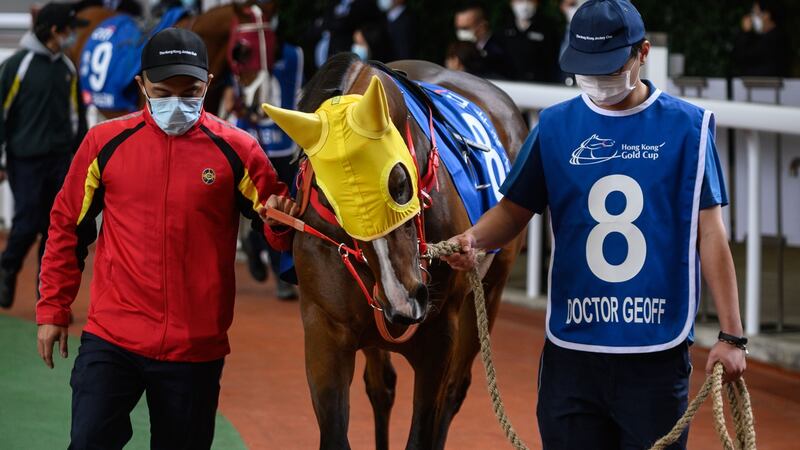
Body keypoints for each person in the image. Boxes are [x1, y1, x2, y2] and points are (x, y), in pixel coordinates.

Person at [442, 1, 747, 449]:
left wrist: (732, 335)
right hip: (572, 354)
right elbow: (513, 210)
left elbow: (710, 233)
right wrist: (473, 238)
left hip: (654, 357)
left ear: (642, 53)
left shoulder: (689, 128)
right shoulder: (556, 125)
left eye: (609, 68)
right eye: (588, 70)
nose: (599, 82)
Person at [36, 28, 298, 449]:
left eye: (190, 91)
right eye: (162, 91)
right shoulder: (104, 142)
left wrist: (283, 222)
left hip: (195, 349)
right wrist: (53, 307)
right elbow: (67, 223)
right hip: (112, 337)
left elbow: (278, 226)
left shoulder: (239, 150)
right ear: (141, 85)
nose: (176, 103)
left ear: (209, 84)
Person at [0, 2, 88, 309]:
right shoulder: (17, 66)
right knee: (26, 222)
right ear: (55, 30)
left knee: (55, 228)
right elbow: (2, 113)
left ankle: (46, 292)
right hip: (24, 159)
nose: (73, 34)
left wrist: (80, 158)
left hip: (61, 160)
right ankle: (8, 267)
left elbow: (78, 117)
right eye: (70, 28)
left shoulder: (67, 68)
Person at [498, 0, 563, 82]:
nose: (525, 4)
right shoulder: (503, 27)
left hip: (540, 85)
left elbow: (553, 62)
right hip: (509, 84)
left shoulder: (548, 28)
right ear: (511, 2)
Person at [454, 3, 513, 79]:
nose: (460, 32)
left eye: (465, 28)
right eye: (458, 28)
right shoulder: (458, 50)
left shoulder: (500, 49)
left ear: (483, 26)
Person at [732, 0, 790, 77]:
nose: (752, 17)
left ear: (767, 15)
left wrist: (745, 33)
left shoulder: (776, 39)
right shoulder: (761, 37)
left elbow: (743, 57)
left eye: (756, 12)